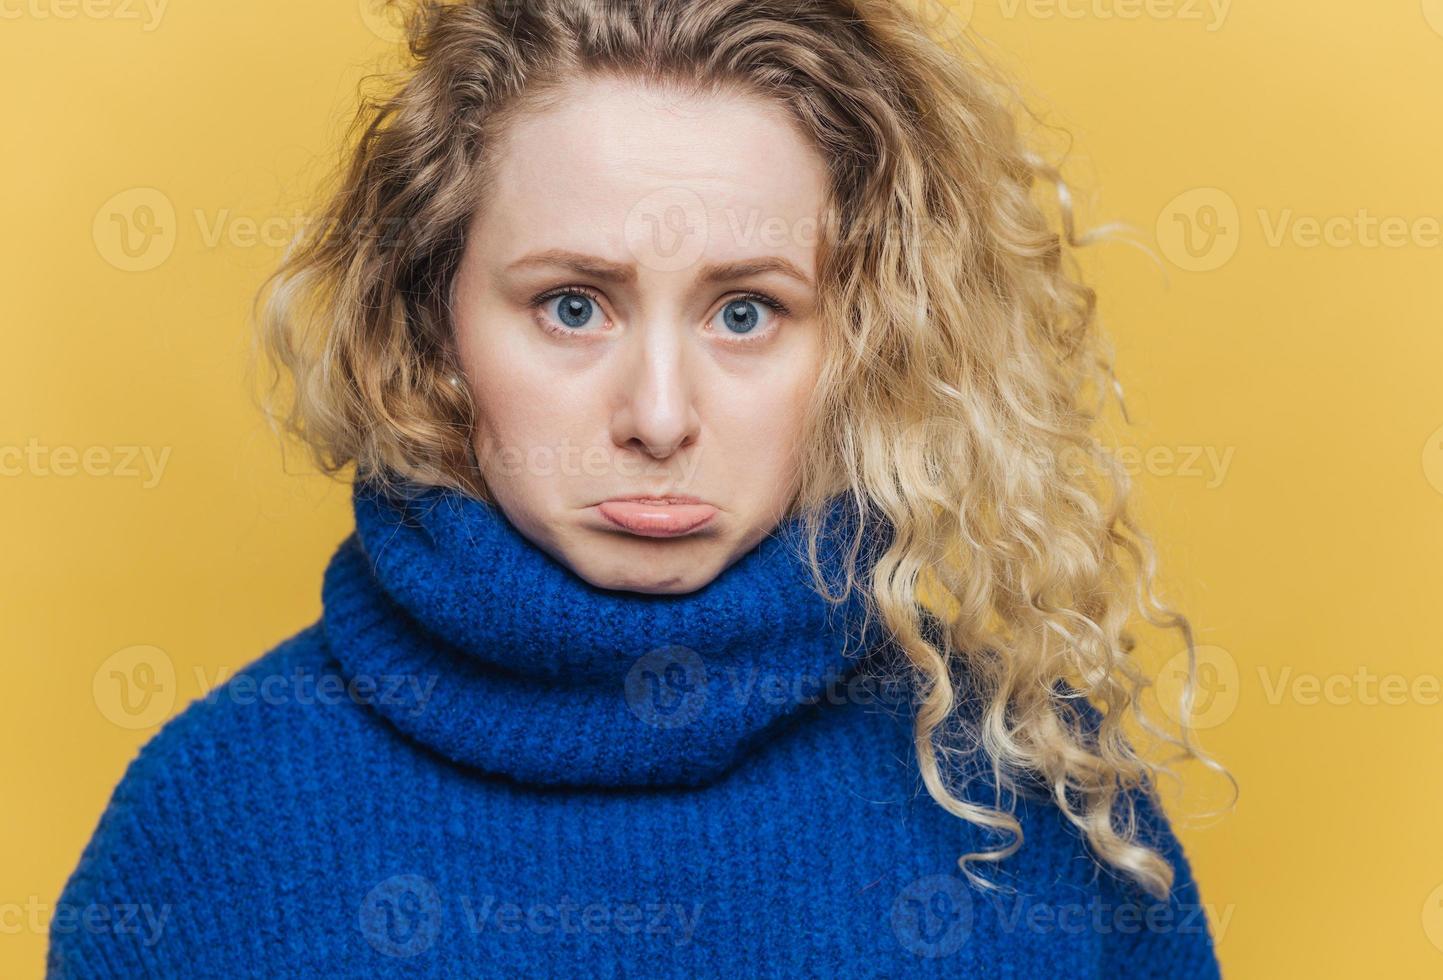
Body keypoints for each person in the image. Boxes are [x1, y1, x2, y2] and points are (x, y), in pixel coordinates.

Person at [50, 1, 1232, 975]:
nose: (660, 417)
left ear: (862, 337)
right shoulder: (212, 823)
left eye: (745, 311)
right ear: (432, 318)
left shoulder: (1033, 792)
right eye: (573, 305)